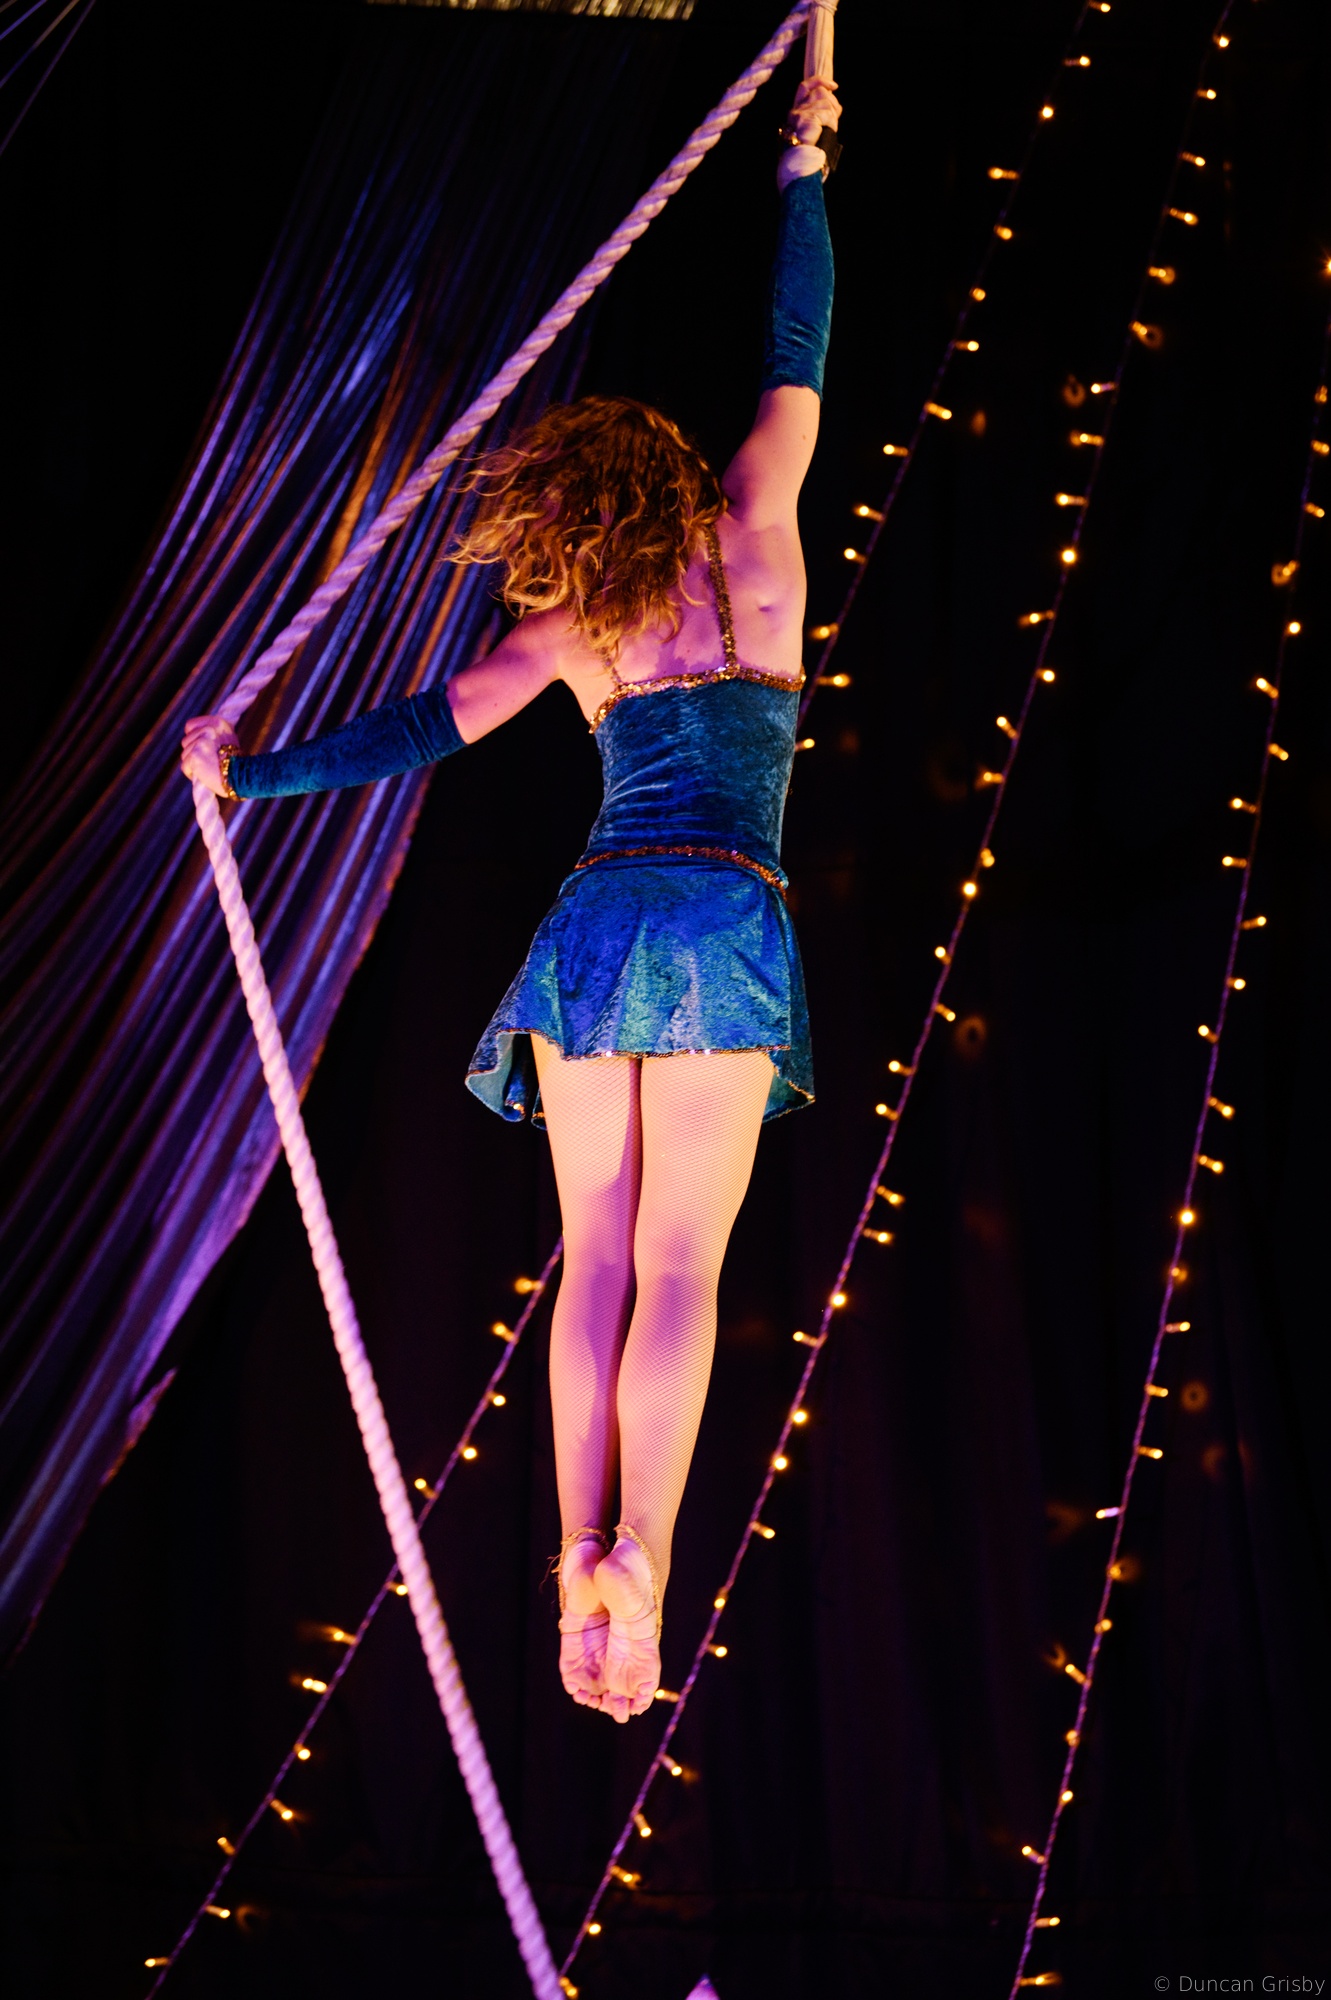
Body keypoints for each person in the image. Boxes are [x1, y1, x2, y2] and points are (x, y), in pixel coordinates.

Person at [183, 72, 840, 1725]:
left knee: (596, 1255)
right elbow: (797, 347)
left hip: (597, 925)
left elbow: (424, 729)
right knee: (679, 1267)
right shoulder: (760, 532)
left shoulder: (582, 625)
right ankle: (645, 1559)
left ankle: (576, 1556)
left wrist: (253, 775)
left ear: (577, 514)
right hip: (718, 917)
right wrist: (805, 167)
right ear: (672, 473)